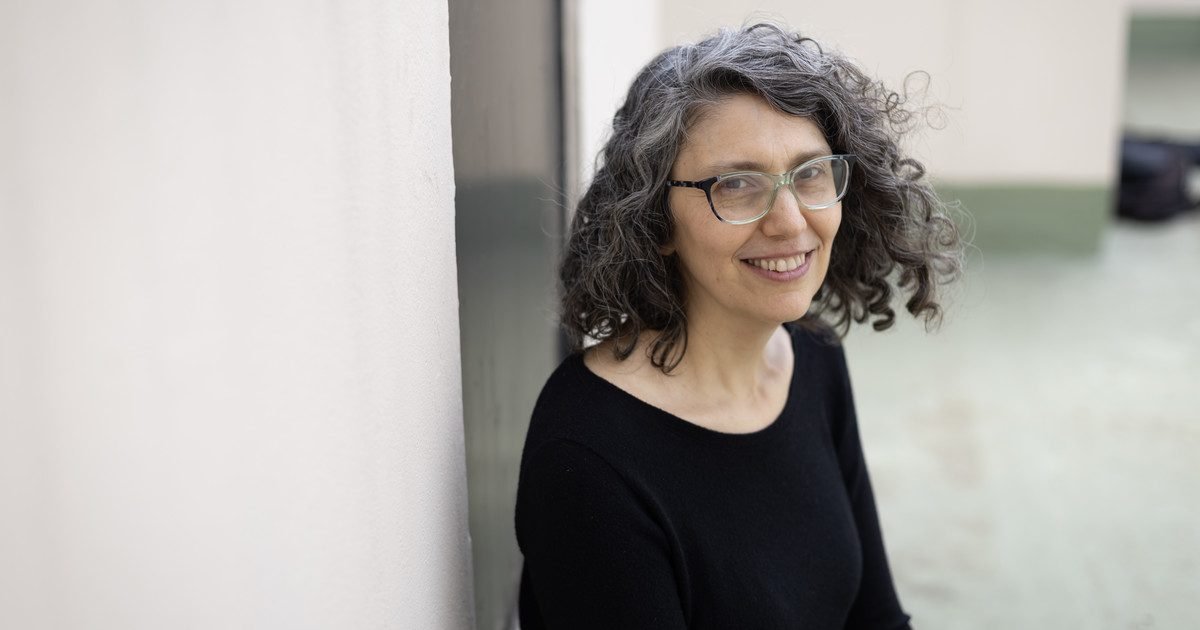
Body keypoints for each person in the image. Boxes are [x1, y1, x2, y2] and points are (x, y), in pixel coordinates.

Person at [514, 23, 962, 629]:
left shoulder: (814, 358)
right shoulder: (588, 458)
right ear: (656, 222)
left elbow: (874, 620)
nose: (790, 221)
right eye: (737, 185)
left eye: (810, 172)